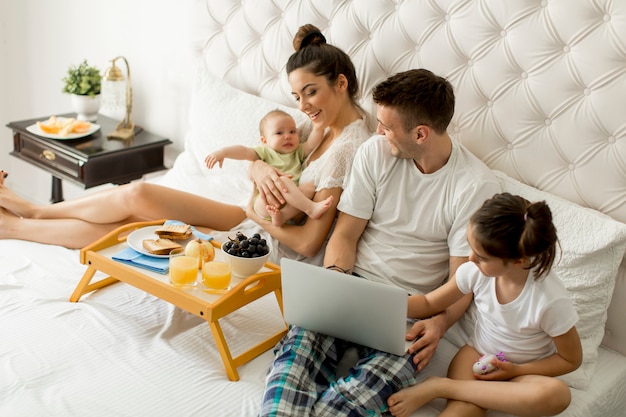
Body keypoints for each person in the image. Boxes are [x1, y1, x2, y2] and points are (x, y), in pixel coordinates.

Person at [0, 24, 371, 267]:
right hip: (242, 212)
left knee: (133, 221)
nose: (303, 106)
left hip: (254, 240)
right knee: (138, 197)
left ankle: (24, 220)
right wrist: (256, 167)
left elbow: (308, 244)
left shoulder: (351, 147)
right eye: (296, 96)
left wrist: (257, 213)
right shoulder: (314, 124)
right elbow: (269, 155)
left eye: (311, 93)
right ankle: (30, 214)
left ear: (341, 83)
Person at [259, 68, 502, 416]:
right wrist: (334, 283)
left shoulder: (475, 185)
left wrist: (439, 323)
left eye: (386, 126)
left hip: (408, 313)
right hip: (351, 286)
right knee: (290, 372)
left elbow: (461, 281)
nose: (377, 131)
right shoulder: (375, 152)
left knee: (349, 405)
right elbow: (345, 234)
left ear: (420, 133)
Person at [387, 192, 582, 417]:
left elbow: (570, 359)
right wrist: (382, 302)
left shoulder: (549, 301)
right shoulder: (476, 272)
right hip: (476, 356)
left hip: (521, 372)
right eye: (470, 248)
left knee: (557, 394)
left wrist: (516, 370)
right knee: (465, 410)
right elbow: (429, 302)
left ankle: (438, 386)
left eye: (481, 256)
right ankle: (453, 391)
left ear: (518, 261)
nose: (470, 258)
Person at [204, 109, 333, 227]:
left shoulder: (297, 152)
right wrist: (223, 152)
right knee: (283, 180)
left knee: (310, 187)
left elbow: (311, 144)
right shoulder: (266, 151)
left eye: (292, 131)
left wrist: (318, 127)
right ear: (264, 141)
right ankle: (311, 208)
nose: (287, 136)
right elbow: (244, 151)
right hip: (265, 202)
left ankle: (283, 216)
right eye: (279, 133)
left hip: (293, 203)